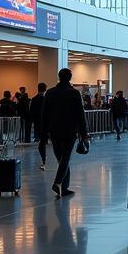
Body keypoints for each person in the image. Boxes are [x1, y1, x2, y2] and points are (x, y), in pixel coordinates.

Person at [39, 68, 89, 198]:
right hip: (69, 130)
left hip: (54, 131)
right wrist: (84, 134)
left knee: (61, 158)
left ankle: (65, 187)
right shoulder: (74, 93)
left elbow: (44, 114)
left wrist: (43, 133)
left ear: (59, 77)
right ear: (70, 78)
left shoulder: (50, 93)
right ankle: (58, 182)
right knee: (65, 158)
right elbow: (80, 115)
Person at [29, 83, 48, 169]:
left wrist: (33, 121)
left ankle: (44, 159)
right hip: (46, 123)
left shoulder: (34, 99)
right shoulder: (46, 99)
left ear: (38, 89)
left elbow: (31, 111)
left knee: (41, 141)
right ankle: (44, 160)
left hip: (38, 123)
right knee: (44, 141)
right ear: (45, 89)